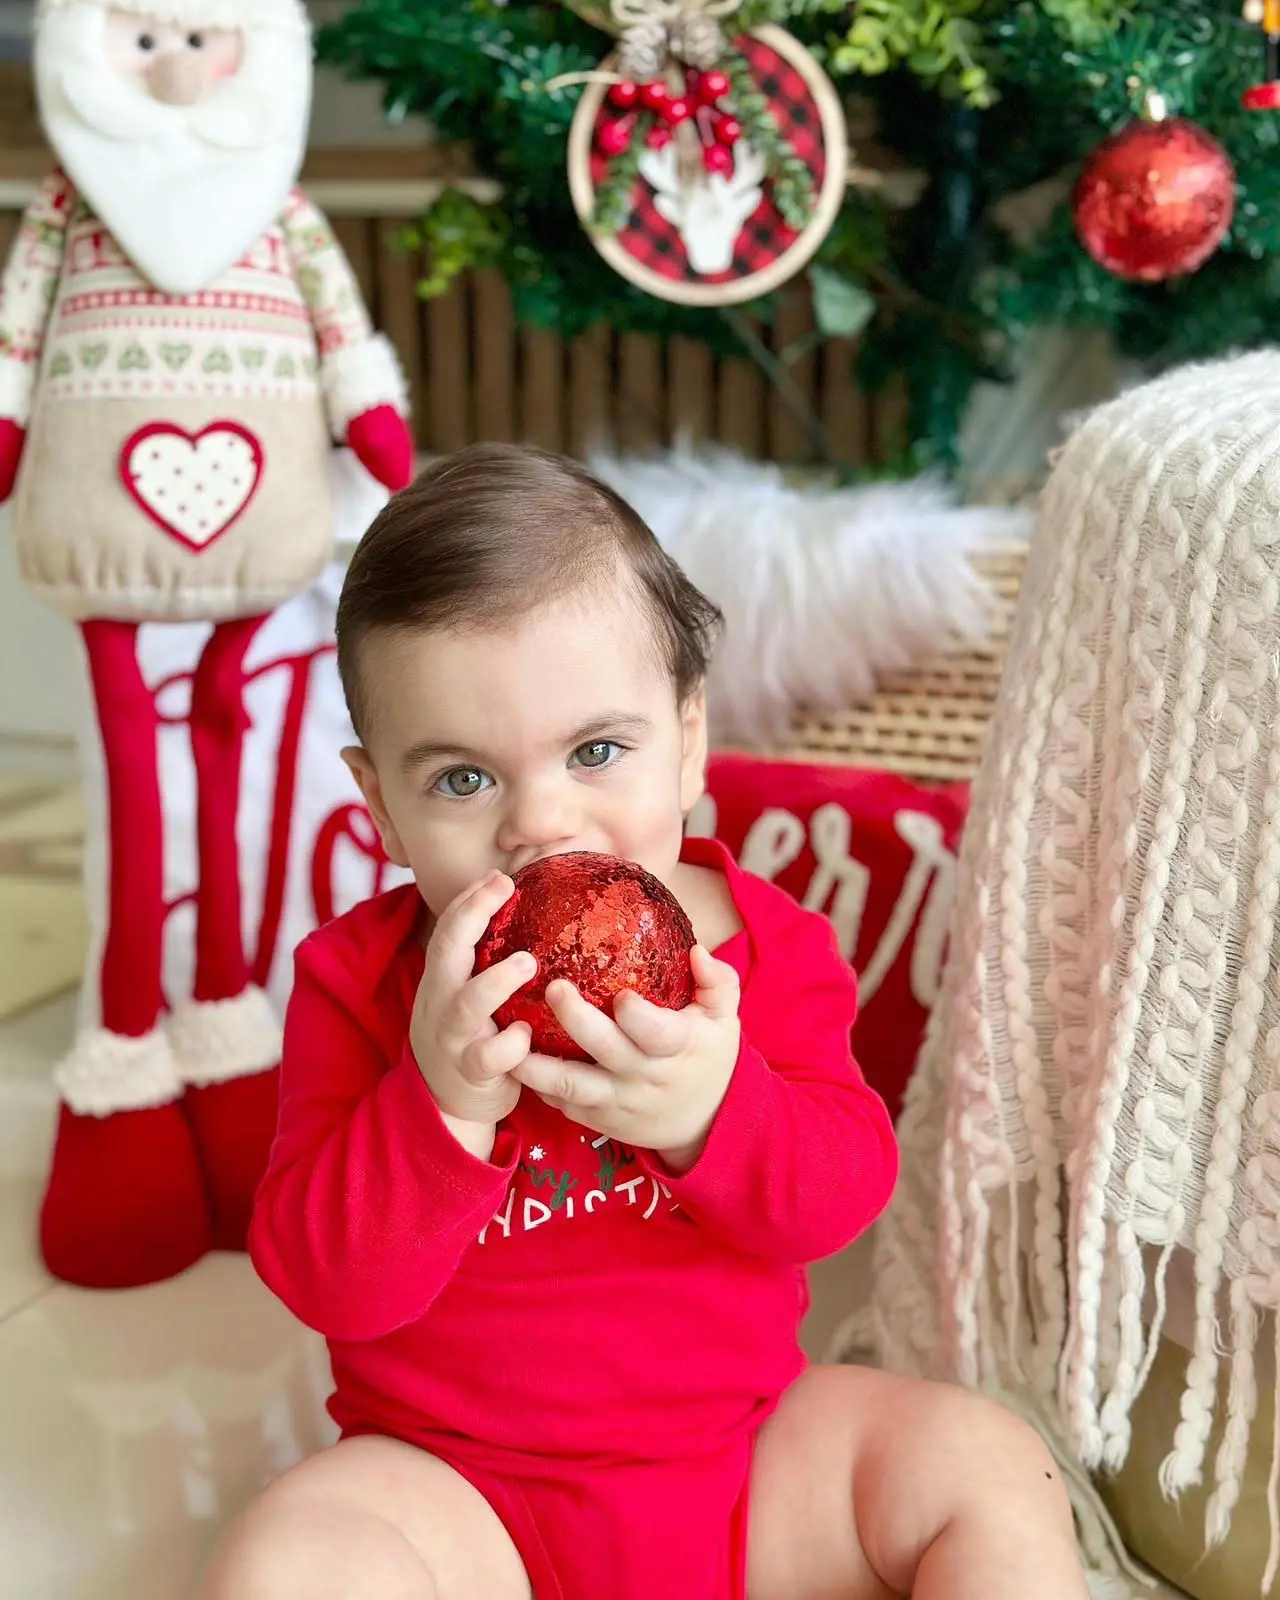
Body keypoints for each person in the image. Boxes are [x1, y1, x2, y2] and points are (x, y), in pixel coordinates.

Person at [200, 444, 1090, 1600]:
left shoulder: (766, 951)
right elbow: (326, 1281)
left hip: (744, 1463)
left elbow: (840, 1197)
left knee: (987, 1464)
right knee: (289, 1559)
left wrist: (715, 1109)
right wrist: (439, 1103)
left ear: (689, 744)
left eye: (596, 751)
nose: (541, 821)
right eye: (461, 780)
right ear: (378, 807)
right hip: (459, 1494)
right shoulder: (359, 982)